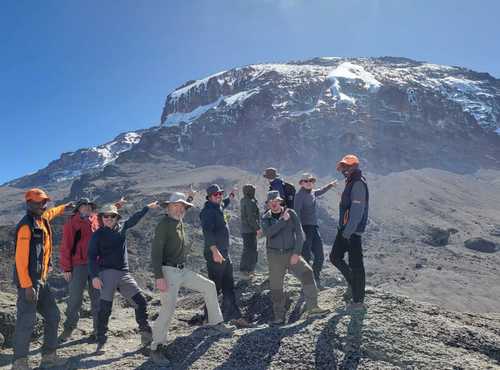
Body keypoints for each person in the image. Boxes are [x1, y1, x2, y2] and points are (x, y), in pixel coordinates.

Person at [149, 192, 232, 366]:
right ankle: (156, 347)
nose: (179, 209)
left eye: (182, 207)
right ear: (168, 207)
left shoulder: (178, 221)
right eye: (175, 206)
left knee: (209, 286)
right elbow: (156, 252)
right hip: (167, 271)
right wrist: (159, 276)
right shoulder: (164, 225)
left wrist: (189, 199)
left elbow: (182, 209)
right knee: (168, 308)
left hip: (181, 270)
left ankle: (216, 322)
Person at [12, 188, 73, 370]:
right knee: (26, 321)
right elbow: (20, 259)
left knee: (53, 316)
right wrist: (27, 286)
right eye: (39, 202)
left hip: (41, 280)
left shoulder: (42, 219)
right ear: (29, 203)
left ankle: (48, 357)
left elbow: (51, 212)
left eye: (44, 202)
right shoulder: (26, 226)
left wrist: (63, 207)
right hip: (29, 283)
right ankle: (20, 363)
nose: (43, 205)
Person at [88, 200, 159, 353]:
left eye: (112, 216)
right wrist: (94, 276)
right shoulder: (97, 235)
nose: (108, 219)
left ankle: (146, 335)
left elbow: (134, 218)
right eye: (105, 216)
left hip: (124, 273)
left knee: (140, 302)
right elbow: (92, 257)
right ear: (101, 218)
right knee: (105, 308)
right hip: (106, 273)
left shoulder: (122, 228)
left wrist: (147, 207)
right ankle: (101, 339)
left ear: (117, 218)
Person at [261, 191, 329, 326]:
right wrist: (282, 221)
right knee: (276, 287)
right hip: (274, 256)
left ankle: (313, 308)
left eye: (276, 201)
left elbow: (300, 234)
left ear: (280, 201)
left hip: (291, 253)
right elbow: (269, 233)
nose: (274, 204)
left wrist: (296, 253)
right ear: (268, 204)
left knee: (307, 273)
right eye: (271, 202)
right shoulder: (265, 218)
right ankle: (279, 317)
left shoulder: (291, 213)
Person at [199, 184, 248, 326]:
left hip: (224, 253)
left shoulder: (218, 206)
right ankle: (209, 319)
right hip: (216, 254)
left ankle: (234, 316)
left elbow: (224, 203)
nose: (219, 196)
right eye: (216, 195)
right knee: (214, 287)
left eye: (220, 193)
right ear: (209, 197)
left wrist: (231, 195)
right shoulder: (207, 212)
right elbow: (207, 233)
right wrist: (215, 252)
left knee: (228, 285)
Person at [330, 154, 369, 310]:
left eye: (346, 167)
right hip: (345, 230)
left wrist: (347, 233)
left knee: (356, 265)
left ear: (353, 167)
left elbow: (357, 212)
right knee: (335, 257)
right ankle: (353, 285)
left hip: (351, 232)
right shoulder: (351, 181)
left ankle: (358, 302)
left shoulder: (358, 183)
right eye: (343, 167)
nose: (343, 170)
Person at [59, 198, 100, 342]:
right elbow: (66, 247)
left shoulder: (96, 219)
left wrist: (118, 205)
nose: (87, 208)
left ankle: (98, 330)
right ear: (78, 209)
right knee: (75, 299)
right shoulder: (72, 224)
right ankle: (69, 328)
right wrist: (66, 268)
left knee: (98, 298)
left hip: (96, 265)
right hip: (79, 266)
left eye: (89, 206)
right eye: (84, 206)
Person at [294, 173, 337, 288]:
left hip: (314, 227)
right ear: (302, 183)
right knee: (306, 256)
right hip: (305, 228)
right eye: (306, 181)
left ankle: (316, 278)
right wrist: (299, 231)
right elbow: (296, 213)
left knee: (319, 255)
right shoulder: (299, 196)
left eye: (311, 181)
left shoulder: (312, 192)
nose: (309, 183)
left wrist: (330, 185)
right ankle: (307, 282)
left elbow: (319, 191)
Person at [239, 184, 261, 280]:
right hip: (249, 230)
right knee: (250, 250)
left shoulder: (244, 200)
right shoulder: (249, 202)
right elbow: (251, 218)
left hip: (246, 230)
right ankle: (246, 271)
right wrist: (257, 228)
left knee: (249, 250)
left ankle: (248, 270)